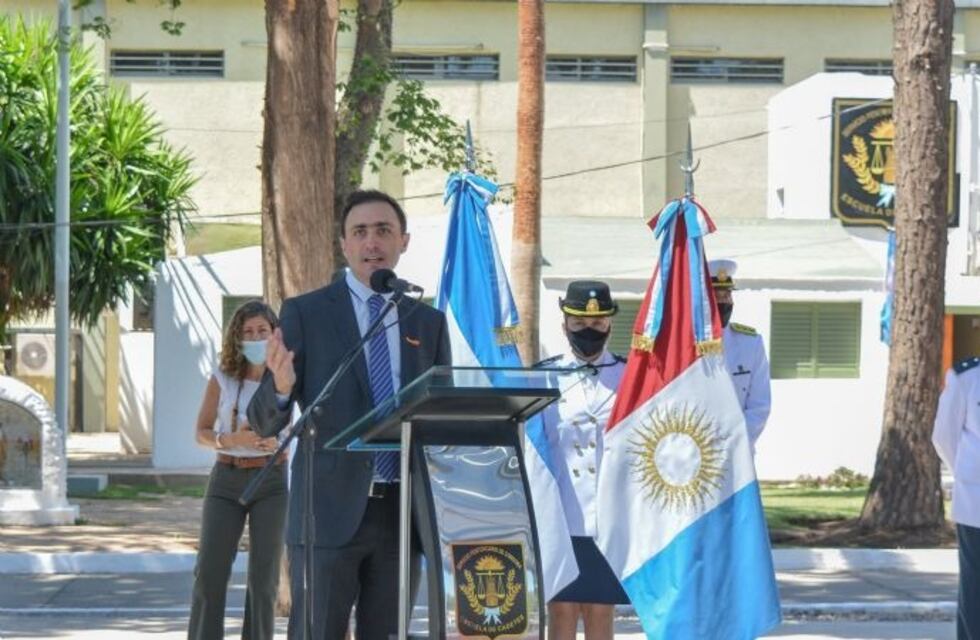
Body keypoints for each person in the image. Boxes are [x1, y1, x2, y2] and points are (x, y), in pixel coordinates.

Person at [247, 189, 451, 639]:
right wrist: (281, 389)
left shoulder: (426, 322)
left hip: (402, 515)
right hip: (327, 511)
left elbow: (441, 416)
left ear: (404, 241)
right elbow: (263, 421)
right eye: (360, 232)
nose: (371, 242)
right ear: (343, 245)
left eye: (383, 231)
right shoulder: (307, 313)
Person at [188, 300, 287, 640]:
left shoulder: (285, 377)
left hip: (271, 480)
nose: (255, 337)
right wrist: (228, 439)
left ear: (274, 334)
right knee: (209, 574)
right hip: (226, 478)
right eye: (248, 332)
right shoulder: (224, 377)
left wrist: (278, 444)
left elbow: (303, 426)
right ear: (237, 338)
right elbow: (200, 432)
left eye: (262, 330)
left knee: (264, 579)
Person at [537, 281, 629, 640]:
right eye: (579, 324)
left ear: (609, 324)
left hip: (609, 516)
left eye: (597, 323)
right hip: (560, 515)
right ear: (565, 325)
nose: (588, 331)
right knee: (560, 614)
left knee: (601, 613)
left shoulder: (630, 374)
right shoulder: (544, 376)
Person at [933, 355, 980, 640]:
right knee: (975, 593)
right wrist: (966, 476)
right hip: (977, 507)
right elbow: (943, 437)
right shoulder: (966, 377)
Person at [708, 258, 771, 447]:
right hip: (693, 452)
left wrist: (734, 443)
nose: (724, 301)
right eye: (716, 296)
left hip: (738, 452)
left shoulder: (750, 343)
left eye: (727, 294)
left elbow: (759, 406)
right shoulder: (683, 344)